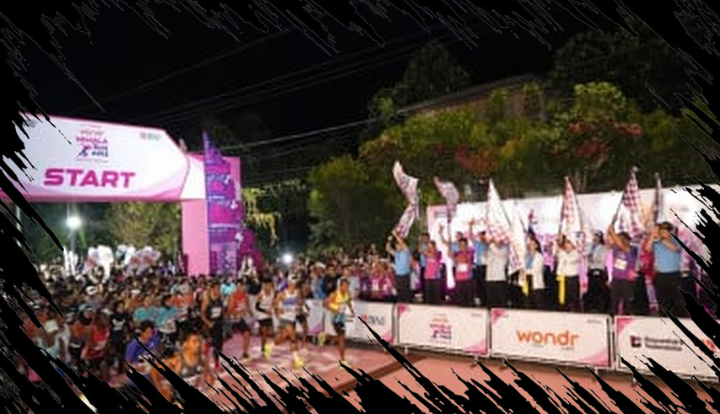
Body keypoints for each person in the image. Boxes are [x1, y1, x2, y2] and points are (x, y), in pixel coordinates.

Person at [152, 330, 215, 402]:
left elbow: (209, 377)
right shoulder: (177, 361)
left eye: (199, 341)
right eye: (194, 342)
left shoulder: (202, 360)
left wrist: (208, 382)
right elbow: (154, 370)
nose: (198, 344)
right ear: (186, 344)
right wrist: (159, 387)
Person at [264, 278, 305, 368]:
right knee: (293, 337)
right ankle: (297, 360)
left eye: (295, 283)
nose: (293, 285)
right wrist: (278, 310)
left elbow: (299, 302)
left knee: (282, 338)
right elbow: (274, 303)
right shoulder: (282, 294)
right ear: (289, 283)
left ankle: (270, 346)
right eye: (292, 283)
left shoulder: (297, 292)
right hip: (284, 319)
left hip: (292, 319)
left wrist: (299, 307)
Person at [645, 222, 683, 316]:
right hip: (660, 276)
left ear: (670, 232)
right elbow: (647, 249)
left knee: (677, 301)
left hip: (674, 275)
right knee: (662, 301)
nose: (662, 233)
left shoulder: (676, 240)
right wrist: (652, 235)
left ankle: (680, 319)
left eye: (665, 231)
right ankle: (664, 319)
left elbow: (674, 248)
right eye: (661, 231)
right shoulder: (656, 242)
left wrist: (660, 238)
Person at [607, 221, 639, 315]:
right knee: (614, 301)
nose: (618, 241)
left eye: (621, 239)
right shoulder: (616, 248)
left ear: (627, 240)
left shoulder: (633, 249)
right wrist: (611, 228)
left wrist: (613, 233)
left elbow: (622, 246)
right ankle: (613, 318)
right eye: (618, 239)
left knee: (627, 302)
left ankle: (626, 318)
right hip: (616, 278)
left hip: (627, 280)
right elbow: (610, 238)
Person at [324, 278, 355, 367]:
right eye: (345, 286)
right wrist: (333, 309)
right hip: (335, 318)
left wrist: (351, 309)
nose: (346, 287)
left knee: (341, 337)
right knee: (342, 338)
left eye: (347, 286)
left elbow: (348, 301)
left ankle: (327, 337)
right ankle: (342, 360)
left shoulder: (348, 293)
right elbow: (325, 304)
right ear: (340, 286)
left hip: (342, 318)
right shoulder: (334, 294)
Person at [124, 321, 160, 389]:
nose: (150, 335)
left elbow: (156, 352)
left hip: (150, 373)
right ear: (142, 332)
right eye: (147, 332)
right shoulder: (133, 345)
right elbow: (126, 364)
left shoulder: (153, 341)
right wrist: (136, 368)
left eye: (151, 333)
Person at [200, 281, 224, 369]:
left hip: (218, 324)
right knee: (211, 344)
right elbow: (202, 314)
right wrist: (208, 322)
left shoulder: (220, 298)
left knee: (219, 345)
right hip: (210, 325)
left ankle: (216, 363)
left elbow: (221, 311)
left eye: (219, 288)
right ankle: (207, 365)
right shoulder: (207, 299)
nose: (218, 290)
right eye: (216, 288)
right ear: (212, 289)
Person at [555, 235, 581, 312]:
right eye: (566, 243)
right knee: (565, 297)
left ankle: (575, 310)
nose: (566, 245)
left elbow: (569, 260)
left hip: (573, 278)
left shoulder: (576, 253)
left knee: (574, 297)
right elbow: (560, 264)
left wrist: (562, 253)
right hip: (564, 277)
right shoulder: (563, 253)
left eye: (568, 243)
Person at [584, 231, 609, 313]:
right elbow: (585, 255)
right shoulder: (590, 246)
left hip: (599, 270)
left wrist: (593, 259)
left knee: (599, 289)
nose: (595, 238)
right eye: (594, 236)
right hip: (591, 270)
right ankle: (592, 307)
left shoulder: (603, 248)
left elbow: (602, 259)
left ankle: (600, 307)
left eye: (597, 237)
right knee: (591, 289)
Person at [227, 282, 252, 362]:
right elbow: (229, 310)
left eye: (244, 286)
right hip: (232, 319)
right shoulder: (233, 296)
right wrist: (238, 313)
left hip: (240, 319)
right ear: (237, 286)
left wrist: (249, 314)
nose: (243, 287)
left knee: (247, 334)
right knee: (226, 338)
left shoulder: (245, 296)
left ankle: (245, 353)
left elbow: (247, 307)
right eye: (241, 286)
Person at [386, 230, 412, 303]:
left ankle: (406, 305)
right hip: (398, 276)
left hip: (405, 276)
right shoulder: (397, 253)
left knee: (405, 293)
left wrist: (395, 235)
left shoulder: (406, 252)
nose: (397, 247)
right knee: (399, 293)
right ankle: (400, 305)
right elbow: (388, 248)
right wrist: (389, 240)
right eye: (396, 246)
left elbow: (402, 243)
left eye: (399, 245)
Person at [485, 238, 509, 308]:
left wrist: (490, 246)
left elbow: (501, 258)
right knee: (491, 300)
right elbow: (485, 261)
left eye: (496, 242)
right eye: (494, 242)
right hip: (490, 278)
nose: (495, 243)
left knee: (501, 300)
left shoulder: (504, 250)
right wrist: (486, 255)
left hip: (500, 279)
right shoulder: (490, 251)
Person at [255, 279, 276, 360]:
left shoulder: (272, 293)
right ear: (265, 285)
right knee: (264, 333)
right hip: (261, 315)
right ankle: (263, 349)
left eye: (271, 285)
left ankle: (266, 347)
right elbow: (256, 307)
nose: (269, 287)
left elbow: (273, 302)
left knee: (271, 332)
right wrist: (265, 311)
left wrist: (273, 306)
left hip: (269, 315)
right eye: (268, 285)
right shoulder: (261, 294)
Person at [523, 236, 546, 309]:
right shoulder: (526, 256)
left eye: (533, 244)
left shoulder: (539, 256)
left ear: (536, 246)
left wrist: (525, 271)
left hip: (535, 281)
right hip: (527, 280)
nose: (531, 246)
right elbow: (523, 267)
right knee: (527, 302)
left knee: (538, 303)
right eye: (529, 244)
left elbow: (536, 270)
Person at [453, 238, 475, 307]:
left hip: (467, 278)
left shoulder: (470, 252)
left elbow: (464, 260)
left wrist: (457, 258)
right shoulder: (457, 253)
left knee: (469, 299)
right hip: (459, 278)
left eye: (463, 245)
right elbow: (452, 257)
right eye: (460, 245)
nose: (461, 246)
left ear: (466, 245)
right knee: (460, 299)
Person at [423, 241, 443, 305]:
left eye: (430, 246)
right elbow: (423, 253)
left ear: (434, 246)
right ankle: (429, 304)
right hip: (427, 275)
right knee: (428, 292)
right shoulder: (427, 253)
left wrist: (427, 253)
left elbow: (434, 256)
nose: (429, 248)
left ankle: (436, 304)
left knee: (435, 292)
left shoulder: (438, 253)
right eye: (428, 246)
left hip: (435, 276)